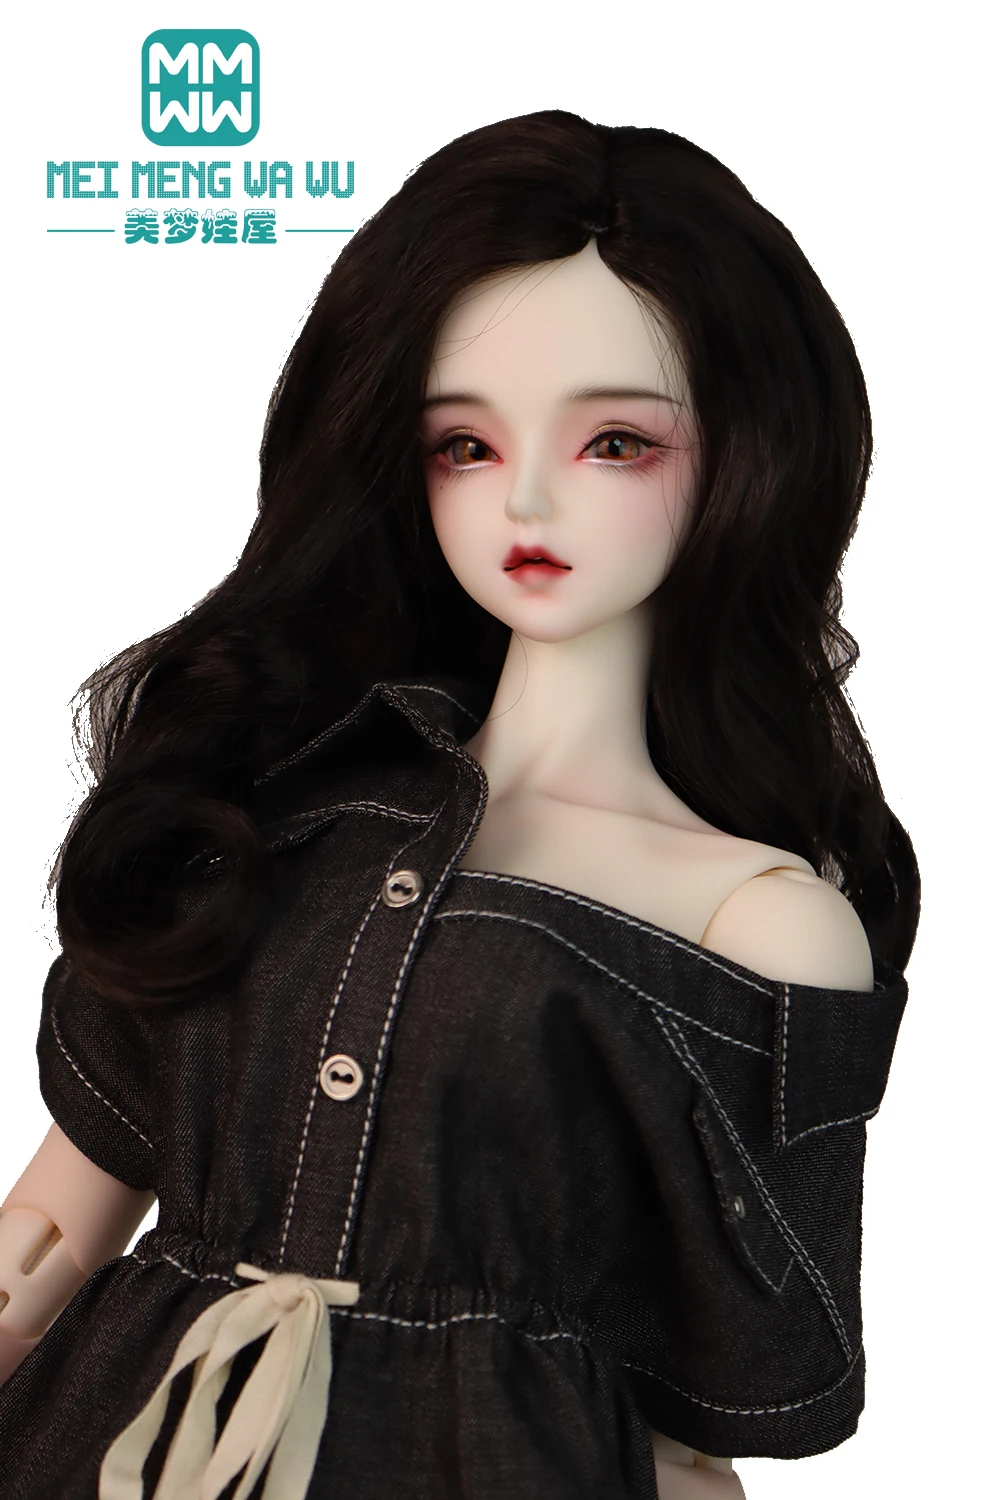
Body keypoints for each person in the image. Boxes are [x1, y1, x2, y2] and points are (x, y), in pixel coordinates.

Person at [0, 110, 916, 1499]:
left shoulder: (754, 924)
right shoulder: (270, 808)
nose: (527, 498)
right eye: (465, 446)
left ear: (750, 454)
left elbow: (693, 1429)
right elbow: (48, 1235)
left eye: (617, 441)